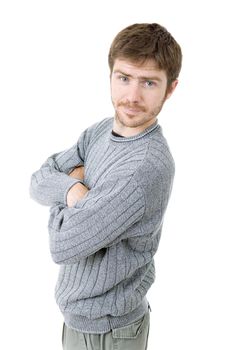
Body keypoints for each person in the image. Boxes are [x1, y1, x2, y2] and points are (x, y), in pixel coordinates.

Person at [30, 22, 182, 350]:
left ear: (170, 88)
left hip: (111, 332)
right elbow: (38, 178)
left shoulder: (144, 168)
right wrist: (73, 190)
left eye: (149, 83)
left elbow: (63, 245)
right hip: (76, 319)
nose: (132, 96)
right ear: (110, 75)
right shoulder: (98, 132)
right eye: (124, 77)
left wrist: (71, 181)